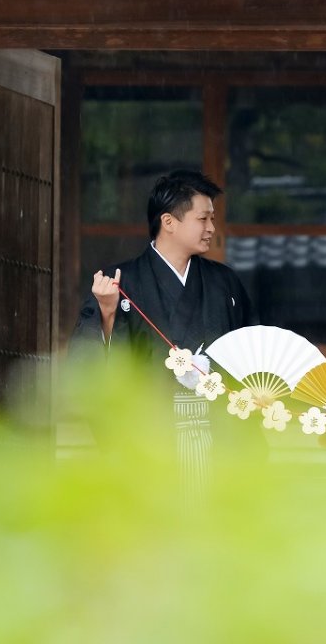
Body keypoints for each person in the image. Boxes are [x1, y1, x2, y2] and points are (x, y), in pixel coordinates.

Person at [70, 169, 257, 487]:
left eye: (212, 219)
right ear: (169, 222)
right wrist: (106, 312)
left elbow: (252, 354)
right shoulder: (121, 282)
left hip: (220, 439)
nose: (212, 228)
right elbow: (90, 368)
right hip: (149, 442)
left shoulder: (224, 282)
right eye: (203, 219)